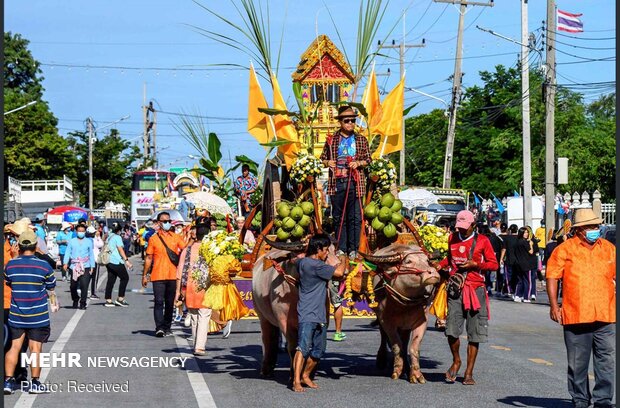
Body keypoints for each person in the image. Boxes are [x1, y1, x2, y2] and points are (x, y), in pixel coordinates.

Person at [546, 208, 616, 408]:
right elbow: (552, 276)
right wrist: (553, 305)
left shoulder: (609, 249)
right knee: (578, 363)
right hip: (576, 314)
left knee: (607, 361)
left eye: (597, 226)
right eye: (592, 226)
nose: (596, 229)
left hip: (606, 313)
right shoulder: (565, 249)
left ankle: (603, 400)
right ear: (580, 229)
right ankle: (580, 399)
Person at [436, 210, 498, 386]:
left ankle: (469, 372)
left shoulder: (483, 241)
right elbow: (449, 260)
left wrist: (476, 264)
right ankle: (456, 360)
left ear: (474, 225)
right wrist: (437, 266)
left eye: (465, 228)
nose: (462, 231)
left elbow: (494, 264)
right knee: (451, 330)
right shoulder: (452, 238)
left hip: (475, 290)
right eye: (459, 228)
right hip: (455, 289)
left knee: (474, 333)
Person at [4, 229, 57, 394]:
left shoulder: (11, 265)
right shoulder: (43, 266)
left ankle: (8, 382)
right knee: (36, 349)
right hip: (38, 316)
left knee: (14, 347)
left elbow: (8, 282)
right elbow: (51, 287)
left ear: (19, 245)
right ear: (35, 246)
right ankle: (35, 383)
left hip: (17, 315)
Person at [292, 233, 347, 392]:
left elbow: (295, 261)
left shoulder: (302, 263)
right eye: (326, 251)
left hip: (320, 314)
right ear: (318, 249)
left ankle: (305, 376)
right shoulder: (317, 266)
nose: (327, 254)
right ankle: (296, 380)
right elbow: (340, 273)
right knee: (302, 348)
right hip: (308, 314)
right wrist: (343, 257)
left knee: (318, 350)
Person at [320, 105, 371, 259]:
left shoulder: (361, 139)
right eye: (347, 120)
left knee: (354, 217)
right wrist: (328, 162)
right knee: (338, 217)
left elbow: (369, 159)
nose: (350, 123)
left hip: (355, 182)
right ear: (340, 122)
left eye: (352, 120)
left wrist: (359, 163)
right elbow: (322, 158)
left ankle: (353, 249)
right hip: (337, 183)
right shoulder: (332, 139)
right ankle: (341, 248)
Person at [142, 212, 186, 337]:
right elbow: (149, 258)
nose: (167, 223)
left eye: (168, 220)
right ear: (159, 223)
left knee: (170, 302)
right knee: (159, 301)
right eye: (164, 221)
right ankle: (159, 327)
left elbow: (185, 250)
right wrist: (145, 275)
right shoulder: (153, 239)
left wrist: (193, 238)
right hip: (158, 275)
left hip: (173, 275)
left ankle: (167, 326)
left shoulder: (176, 237)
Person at [175, 223, 211, 356]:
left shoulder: (187, 250)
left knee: (195, 317)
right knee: (204, 316)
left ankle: (197, 343)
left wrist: (178, 292)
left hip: (189, 288)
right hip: (205, 287)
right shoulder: (211, 250)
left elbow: (179, 272)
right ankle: (199, 347)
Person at [63, 224, 95, 310]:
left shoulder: (89, 241)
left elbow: (91, 254)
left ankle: (83, 303)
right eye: (79, 231)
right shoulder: (72, 241)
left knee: (84, 285)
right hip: (74, 266)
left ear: (85, 232)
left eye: (82, 231)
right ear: (76, 231)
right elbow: (67, 252)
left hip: (86, 265)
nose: (81, 232)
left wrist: (92, 266)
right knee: (73, 286)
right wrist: (65, 263)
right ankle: (75, 299)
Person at [103, 223, 132, 308]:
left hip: (108, 261)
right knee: (125, 278)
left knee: (111, 280)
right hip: (116, 261)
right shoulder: (117, 237)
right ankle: (120, 298)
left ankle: (108, 299)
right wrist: (126, 260)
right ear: (119, 230)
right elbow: (120, 249)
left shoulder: (109, 237)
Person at [512, 227, 537, 303]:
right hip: (527, 264)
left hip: (518, 264)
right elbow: (531, 252)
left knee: (520, 281)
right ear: (522, 233)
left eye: (527, 232)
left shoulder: (516, 242)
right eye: (525, 232)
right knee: (528, 281)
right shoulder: (525, 242)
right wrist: (531, 244)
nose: (527, 234)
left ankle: (517, 295)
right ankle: (526, 297)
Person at [499, 224, 518, 297]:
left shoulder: (507, 238)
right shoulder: (519, 238)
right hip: (517, 260)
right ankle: (516, 289)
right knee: (516, 276)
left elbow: (504, 249)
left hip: (509, 259)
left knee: (508, 276)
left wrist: (501, 258)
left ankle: (510, 290)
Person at [88, 226, 104, 299]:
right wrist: (98, 237)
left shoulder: (86, 240)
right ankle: (93, 293)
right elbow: (101, 244)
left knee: (87, 277)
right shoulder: (94, 240)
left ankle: (85, 291)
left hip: (86, 261)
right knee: (94, 277)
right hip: (94, 260)